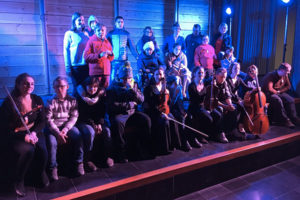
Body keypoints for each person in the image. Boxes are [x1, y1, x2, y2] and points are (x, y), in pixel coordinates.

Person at [0, 73, 49, 197]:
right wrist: (24, 137)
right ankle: (19, 180)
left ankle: (40, 173)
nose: (29, 86)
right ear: (18, 85)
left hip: (33, 131)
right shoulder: (9, 103)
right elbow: (4, 128)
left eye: (32, 84)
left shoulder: (37, 99)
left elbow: (42, 120)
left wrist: (34, 132)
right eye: (26, 83)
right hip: (16, 134)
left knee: (42, 149)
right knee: (28, 150)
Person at [106, 62, 153, 162]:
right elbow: (113, 106)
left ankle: (143, 149)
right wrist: (131, 104)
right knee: (117, 123)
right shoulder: (112, 88)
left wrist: (132, 89)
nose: (127, 81)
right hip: (119, 114)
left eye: (129, 78)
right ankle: (120, 153)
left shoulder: (134, 85)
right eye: (124, 79)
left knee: (146, 120)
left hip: (132, 113)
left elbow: (141, 99)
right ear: (120, 78)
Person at [45, 77, 84, 180]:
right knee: (51, 142)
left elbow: (74, 116)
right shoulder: (50, 101)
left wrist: (66, 129)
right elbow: (48, 120)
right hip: (54, 128)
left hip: (67, 126)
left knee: (78, 136)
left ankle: (79, 162)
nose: (59, 89)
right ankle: (52, 168)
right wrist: (58, 133)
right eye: (57, 86)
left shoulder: (72, 100)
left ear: (67, 87)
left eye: (62, 86)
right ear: (54, 88)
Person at [76, 77, 114, 168]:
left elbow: (101, 112)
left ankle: (106, 156)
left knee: (107, 131)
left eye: (95, 87)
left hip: (96, 122)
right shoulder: (81, 97)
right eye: (90, 86)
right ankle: (87, 160)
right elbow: (83, 115)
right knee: (90, 132)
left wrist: (100, 123)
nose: (92, 89)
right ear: (85, 87)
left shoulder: (99, 96)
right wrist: (94, 125)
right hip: (83, 121)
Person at [143, 68, 181, 155]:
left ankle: (173, 144)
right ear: (154, 76)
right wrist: (160, 113)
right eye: (156, 74)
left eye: (160, 74)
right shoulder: (149, 88)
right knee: (165, 122)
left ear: (163, 76)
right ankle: (165, 148)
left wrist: (167, 92)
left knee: (173, 119)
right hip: (153, 112)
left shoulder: (165, 87)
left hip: (164, 111)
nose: (158, 76)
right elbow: (150, 105)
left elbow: (168, 103)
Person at [187, 67, 228, 143]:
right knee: (209, 118)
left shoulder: (205, 84)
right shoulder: (191, 85)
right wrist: (206, 109)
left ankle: (217, 135)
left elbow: (210, 96)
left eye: (202, 73)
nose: (201, 74)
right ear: (194, 74)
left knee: (218, 115)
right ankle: (200, 136)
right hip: (195, 107)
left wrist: (213, 86)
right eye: (199, 73)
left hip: (204, 106)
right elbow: (196, 100)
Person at [262, 63, 300, 128]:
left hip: (278, 92)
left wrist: (279, 91)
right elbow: (269, 89)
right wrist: (277, 92)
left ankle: (294, 117)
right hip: (268, 94)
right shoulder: (271, 76)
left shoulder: (285, 76)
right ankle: (285, 120)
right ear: (282, 70)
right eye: (287, 71)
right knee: (277, 100)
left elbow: (288, 86)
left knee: (290, 99)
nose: (288, 73)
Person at [226, 63, 255, 138]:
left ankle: (240, 126)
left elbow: (246, 87)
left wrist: (254, 89)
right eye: (235, 68)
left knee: (244, 105)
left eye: (238, 68)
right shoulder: (227, 79)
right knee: (237, 107)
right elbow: (229, 93)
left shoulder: (239, 79)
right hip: (228, 99)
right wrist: (238, 101)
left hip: (235, 98)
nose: (237, 70)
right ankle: (233, 129)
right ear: (231, 69)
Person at [64, 12, 90, 93]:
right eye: (79, 20)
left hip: (86, 66)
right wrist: (68, 67)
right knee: (77, 89)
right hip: (75, 67)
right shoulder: (69, 34)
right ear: (74, 21)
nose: (81, 22)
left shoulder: (86, 34)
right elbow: (66, 51)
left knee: (86, 89)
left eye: (82, 20)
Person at [107, 16, 138, 81]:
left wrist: (137, 56)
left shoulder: (126, 34)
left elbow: (132, 46)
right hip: (113, 60)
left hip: (124, 60)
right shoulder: (110, 34)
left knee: (124, 78)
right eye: (118, 22)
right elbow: (106, 45)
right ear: (115, 23)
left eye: (122, 22)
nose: (120, 23)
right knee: (112, 78)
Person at [166, 76, 193, 151]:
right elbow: (168, 106)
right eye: (175, 83)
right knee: (179, 119)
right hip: (168, 110)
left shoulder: (178, 88)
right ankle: (181, 143)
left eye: (178, 83)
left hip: (176, 109)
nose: (177, 85)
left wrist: (182, 111)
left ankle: (190, 140)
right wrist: (174, 96)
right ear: (170, 83)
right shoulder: (166, 90)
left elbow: (180, 101)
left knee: (187, 116)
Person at [84, 24, 114, 88]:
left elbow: (111, 58)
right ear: (95, 31)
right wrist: (99, 56)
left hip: (106, 73)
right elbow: (86, 56)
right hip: (95, 73)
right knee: (96, 93)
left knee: (105, 93)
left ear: (105, 31)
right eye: (98, 30)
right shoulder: (91, 41)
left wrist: (111, 54)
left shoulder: (107, 42)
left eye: (103, 30)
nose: (101, 32)